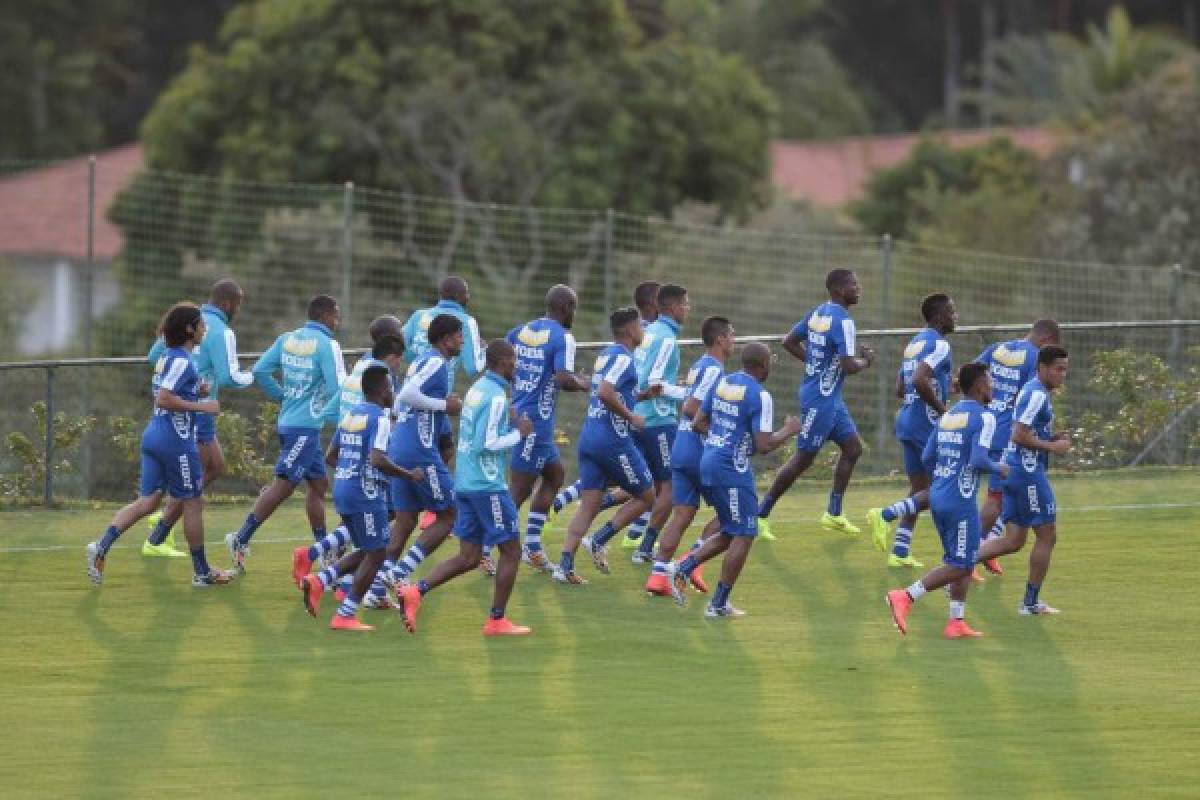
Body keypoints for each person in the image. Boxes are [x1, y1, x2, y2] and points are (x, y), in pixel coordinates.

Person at [394, 340, 537, 635]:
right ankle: (497, 620)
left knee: (469, 557)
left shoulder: (478, 389)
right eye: (513, 360)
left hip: (466, 482)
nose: (517, 365)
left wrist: (507, 420)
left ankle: (416, 591)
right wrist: (518, 434)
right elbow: (489, 443)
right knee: (511, 551)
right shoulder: (495, 396)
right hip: (488, 485)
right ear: (501, 362)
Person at [87, 303, 233, 587]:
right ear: (190, 330)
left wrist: (195, 389)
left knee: (149, 501)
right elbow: (164, 398)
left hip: (154, 435)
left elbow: (169, 389)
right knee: (192, 501)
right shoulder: (182, 361)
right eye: (201, 324)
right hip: (175, 442)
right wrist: (203, 406)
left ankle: (101, 546)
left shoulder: (168, 357)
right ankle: (202, 572)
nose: (205, 329)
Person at [671, 342, 801, 616]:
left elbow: (697, 423)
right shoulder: (760, 395)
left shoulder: (723, 383)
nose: (772, 365)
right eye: (770, 361)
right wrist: (789, 430)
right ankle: (718, 604)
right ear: (762, 365)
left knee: (731, 529)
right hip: (731, 469)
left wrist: (721, 440)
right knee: (745, 532)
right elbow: (764, 445)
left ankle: (682, 568)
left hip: (709, 460)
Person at [296, 366, 424, 631]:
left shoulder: (352, 414)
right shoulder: (380, 418)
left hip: (343, 489)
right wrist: (407, 475)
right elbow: (377, 458)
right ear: (380, 390)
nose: (392, 392)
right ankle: (345, 614)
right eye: (390, 387)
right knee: (377, 555)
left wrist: (351, 469)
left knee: (368, 550)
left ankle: (320, 581)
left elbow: (332, 455)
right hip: (365, 495)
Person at [885, 363, 1008, 639]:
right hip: (959, 500)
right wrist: (1001, 468)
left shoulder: (949, 415)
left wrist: (948, 471)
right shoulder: (985, 418)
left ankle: (956, 622)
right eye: (989, 381)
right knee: (962, 564)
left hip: (939, 494)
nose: (993, 386)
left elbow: (928, 457)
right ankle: (905, 596)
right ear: (979, 386)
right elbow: (978, 459)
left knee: (963, 557)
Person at [225, 295, 345, 571]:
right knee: (284, 486)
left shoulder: (287, 339)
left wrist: (283, 396)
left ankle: (323, 547)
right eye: (336, 315)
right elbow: (338, 386)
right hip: (304, 427)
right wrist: (334, 415)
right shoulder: (327, 345)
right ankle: (240, 538)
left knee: (318, 485)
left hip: (292, 423)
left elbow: (261, 370)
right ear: (325, 316)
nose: (337, 321)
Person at [756, 269, 874, 537]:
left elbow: (789, 341)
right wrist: (866, 360)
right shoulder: (843, 321)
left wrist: (814, 363)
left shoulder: (818, 312)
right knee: (803, 460)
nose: (859, 289)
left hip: (830, 398)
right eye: (854, 285)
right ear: (839, 290)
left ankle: (833, 513)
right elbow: (848, 366)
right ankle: (760, 516)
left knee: (853, 448)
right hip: (820, 400)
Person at [141, 279, 253, 558]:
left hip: (189, 410)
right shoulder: (222, 331)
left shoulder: (185, 319)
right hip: (196, 412)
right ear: (228, 304)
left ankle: (163, 524)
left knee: (215, 467)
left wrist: (179, 375)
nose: (237, 309)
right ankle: (161, 530)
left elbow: (154, 356)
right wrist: (257, 375)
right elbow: (229, 377)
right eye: (238, 304)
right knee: (193, 485)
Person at [553, 308, 660, 585]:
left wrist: (643, 395)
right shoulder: (624, 358)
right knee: (649, 495)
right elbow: (604, 392)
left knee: (589, 504)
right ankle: (600, 540)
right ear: (628, 330)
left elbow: (612, 390)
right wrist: (631, 417)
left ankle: (564, 565)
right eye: (640, 325)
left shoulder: (607, 354)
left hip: (590, 436)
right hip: (612, 441)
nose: (643, 330)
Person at [296, 331, 407, 593]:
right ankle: (361, 589)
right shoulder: (379, 377)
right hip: (369, 456)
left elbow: (332, 411)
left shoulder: (359, 369)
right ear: (391, 358)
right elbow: (389, 419)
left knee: (371, 527)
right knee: (381, 528)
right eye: (399, 361)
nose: (397, 371)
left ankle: (316, 557)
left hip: (351, 445)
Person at [365, 314, 465, 604]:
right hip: (419, 450)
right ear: (446, 339)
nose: (462, 341)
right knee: (450, 515)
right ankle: (399, 573)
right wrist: (443, 405)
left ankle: (374, 593)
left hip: (401, 446)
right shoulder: (436, 362)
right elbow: (408, 394)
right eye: (459, 335)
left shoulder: (421, 361)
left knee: (406, 520)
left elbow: (397, 402)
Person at [974, 346, 1071, 615]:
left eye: (1065, 369)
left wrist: (1050, 438)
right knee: (1047, 534)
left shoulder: (1032, 389)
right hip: (1026, 473)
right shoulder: (1036, 394)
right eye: (1057, 369)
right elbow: (1019, 435)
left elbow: (1027, 432)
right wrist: (1054, 448)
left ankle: (958, 565)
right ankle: (1029, 603)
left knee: (1014, 540)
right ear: (1042, 367)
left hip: (1014, 470)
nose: (1062, 375)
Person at [645, 315, 735, 598]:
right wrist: (716, 439)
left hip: (681, 447)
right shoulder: (713, 369)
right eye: (731, 334)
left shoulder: (699, 367)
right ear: (720, 339)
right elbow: (691, 408)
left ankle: (658, 577)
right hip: (697, 449)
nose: (734, 339)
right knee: (734, 512)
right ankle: (693, 561)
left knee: (682, 514)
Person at [867, 294, 956, 567]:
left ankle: (900, 550)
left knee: (920, 488)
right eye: (952, 312)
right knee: (944, 488)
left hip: (906, 420)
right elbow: (918, 380)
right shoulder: (940, 344)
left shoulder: (914, 343)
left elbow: (900, 388)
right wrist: (944, 411)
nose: (956, 316)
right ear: (939, 316)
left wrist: (942, 387)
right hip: (925, 424)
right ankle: (885, 515)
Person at [505, 285, 590, 573]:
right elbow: (563, 379)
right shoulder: (563, 338)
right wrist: (583, 383)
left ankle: (531, 546)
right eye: (574, 308)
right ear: (566, 307)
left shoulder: (518, 332)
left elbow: (506, 367)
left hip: (524, 415)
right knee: (518, 490)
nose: (574, 315)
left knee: (555, 475)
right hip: (534, 423)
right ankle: (481, 548)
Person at [974, 319, 1062, 573]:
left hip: (989, 425)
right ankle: (971, 554)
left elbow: (971, 372)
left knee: (1001, 498)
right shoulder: (1037, 359)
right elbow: (1032, 402)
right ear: (1047, 342)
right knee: (996, 497)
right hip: (1009, 433)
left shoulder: (1000, 349)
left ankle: (986, 548)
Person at [616, 284, 691, 562]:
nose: (688, 309)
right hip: (658, 419)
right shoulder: (667, 338)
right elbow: (655, 383)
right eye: (685, 304)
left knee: (644, 487)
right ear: (671, 308)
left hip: (639, 413)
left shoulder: (649, 333)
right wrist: (689, 394)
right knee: (671, 487)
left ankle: (598, 534)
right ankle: (645, 548)